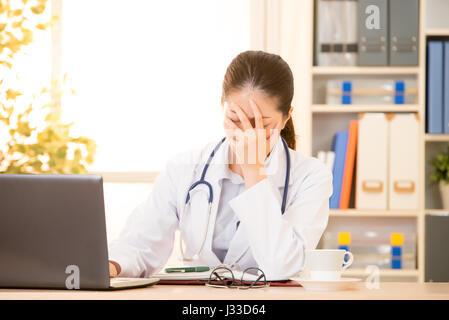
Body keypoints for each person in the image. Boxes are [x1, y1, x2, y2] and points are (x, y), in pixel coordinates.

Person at [108, 50, 333, 280]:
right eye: (236, 119)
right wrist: (113, 265)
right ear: (221, 105)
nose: (247, 133)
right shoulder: (185, 168)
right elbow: (140, 244)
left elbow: (283, 266)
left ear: (286, 118)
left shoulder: (311, 176)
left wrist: (253, 171)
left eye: (261, 124)